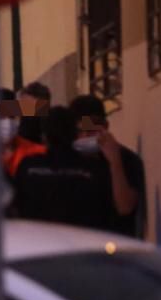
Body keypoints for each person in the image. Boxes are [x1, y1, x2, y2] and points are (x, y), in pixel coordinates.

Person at [12, 105, 111, 230]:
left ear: (44, 136)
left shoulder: (28, 166)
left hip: (37, 241)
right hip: (84, 241)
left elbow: (16, 207)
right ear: (75, 134)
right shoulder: (93, 167)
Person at [70, 93, 145, 238]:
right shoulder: (69, 160)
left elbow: (125, 207)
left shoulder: (126, 159)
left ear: (104, 127)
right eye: (79, 131)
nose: (85, 136)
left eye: (91, 131)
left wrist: (115, 162)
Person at [0, 89, 45, 177]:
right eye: (0, 116)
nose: (7, 121)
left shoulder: (35, 150)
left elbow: (42, 108)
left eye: (11, 116)